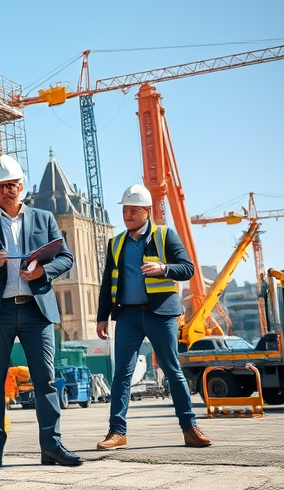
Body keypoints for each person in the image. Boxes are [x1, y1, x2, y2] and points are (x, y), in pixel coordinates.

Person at [0, 155, 82, 470]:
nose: (6, 191)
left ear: (21, 185)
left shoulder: (44, 219)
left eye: (11, 185)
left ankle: (52, 446)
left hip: (36, 311)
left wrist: (42, 272)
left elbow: (66, 258)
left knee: (46, 380)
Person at [95, 184, 212, 450]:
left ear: (147, 211)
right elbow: (107, 283)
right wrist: (102, 317)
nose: (127, 215)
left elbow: (188, 269)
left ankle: (190, 428)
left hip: (161, 315)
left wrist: (163, 268)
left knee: (172, 370)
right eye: (125, 210)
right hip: (127, 316)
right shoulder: (116, 243)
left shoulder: (165, 236)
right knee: (122, 375)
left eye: (133, 210)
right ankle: (117, 432)